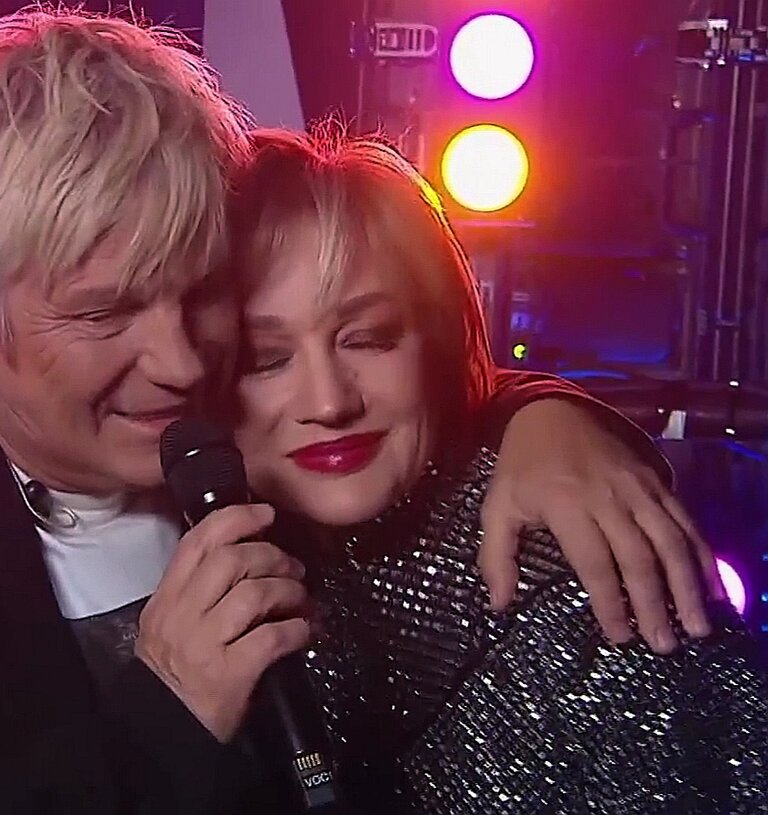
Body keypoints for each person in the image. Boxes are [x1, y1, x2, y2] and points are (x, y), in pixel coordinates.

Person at [0, 10, 719, 814]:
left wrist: (549, 414)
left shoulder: (221, 391)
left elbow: (370, 355)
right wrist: (165, 712)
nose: (179, 364)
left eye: (200, 288)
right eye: (104, 313)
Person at [222, 126, 768, 813]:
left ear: (439, 336)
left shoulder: (580, 578)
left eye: (369, 337)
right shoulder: (190, 564)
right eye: (266, 359)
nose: (329, 401)